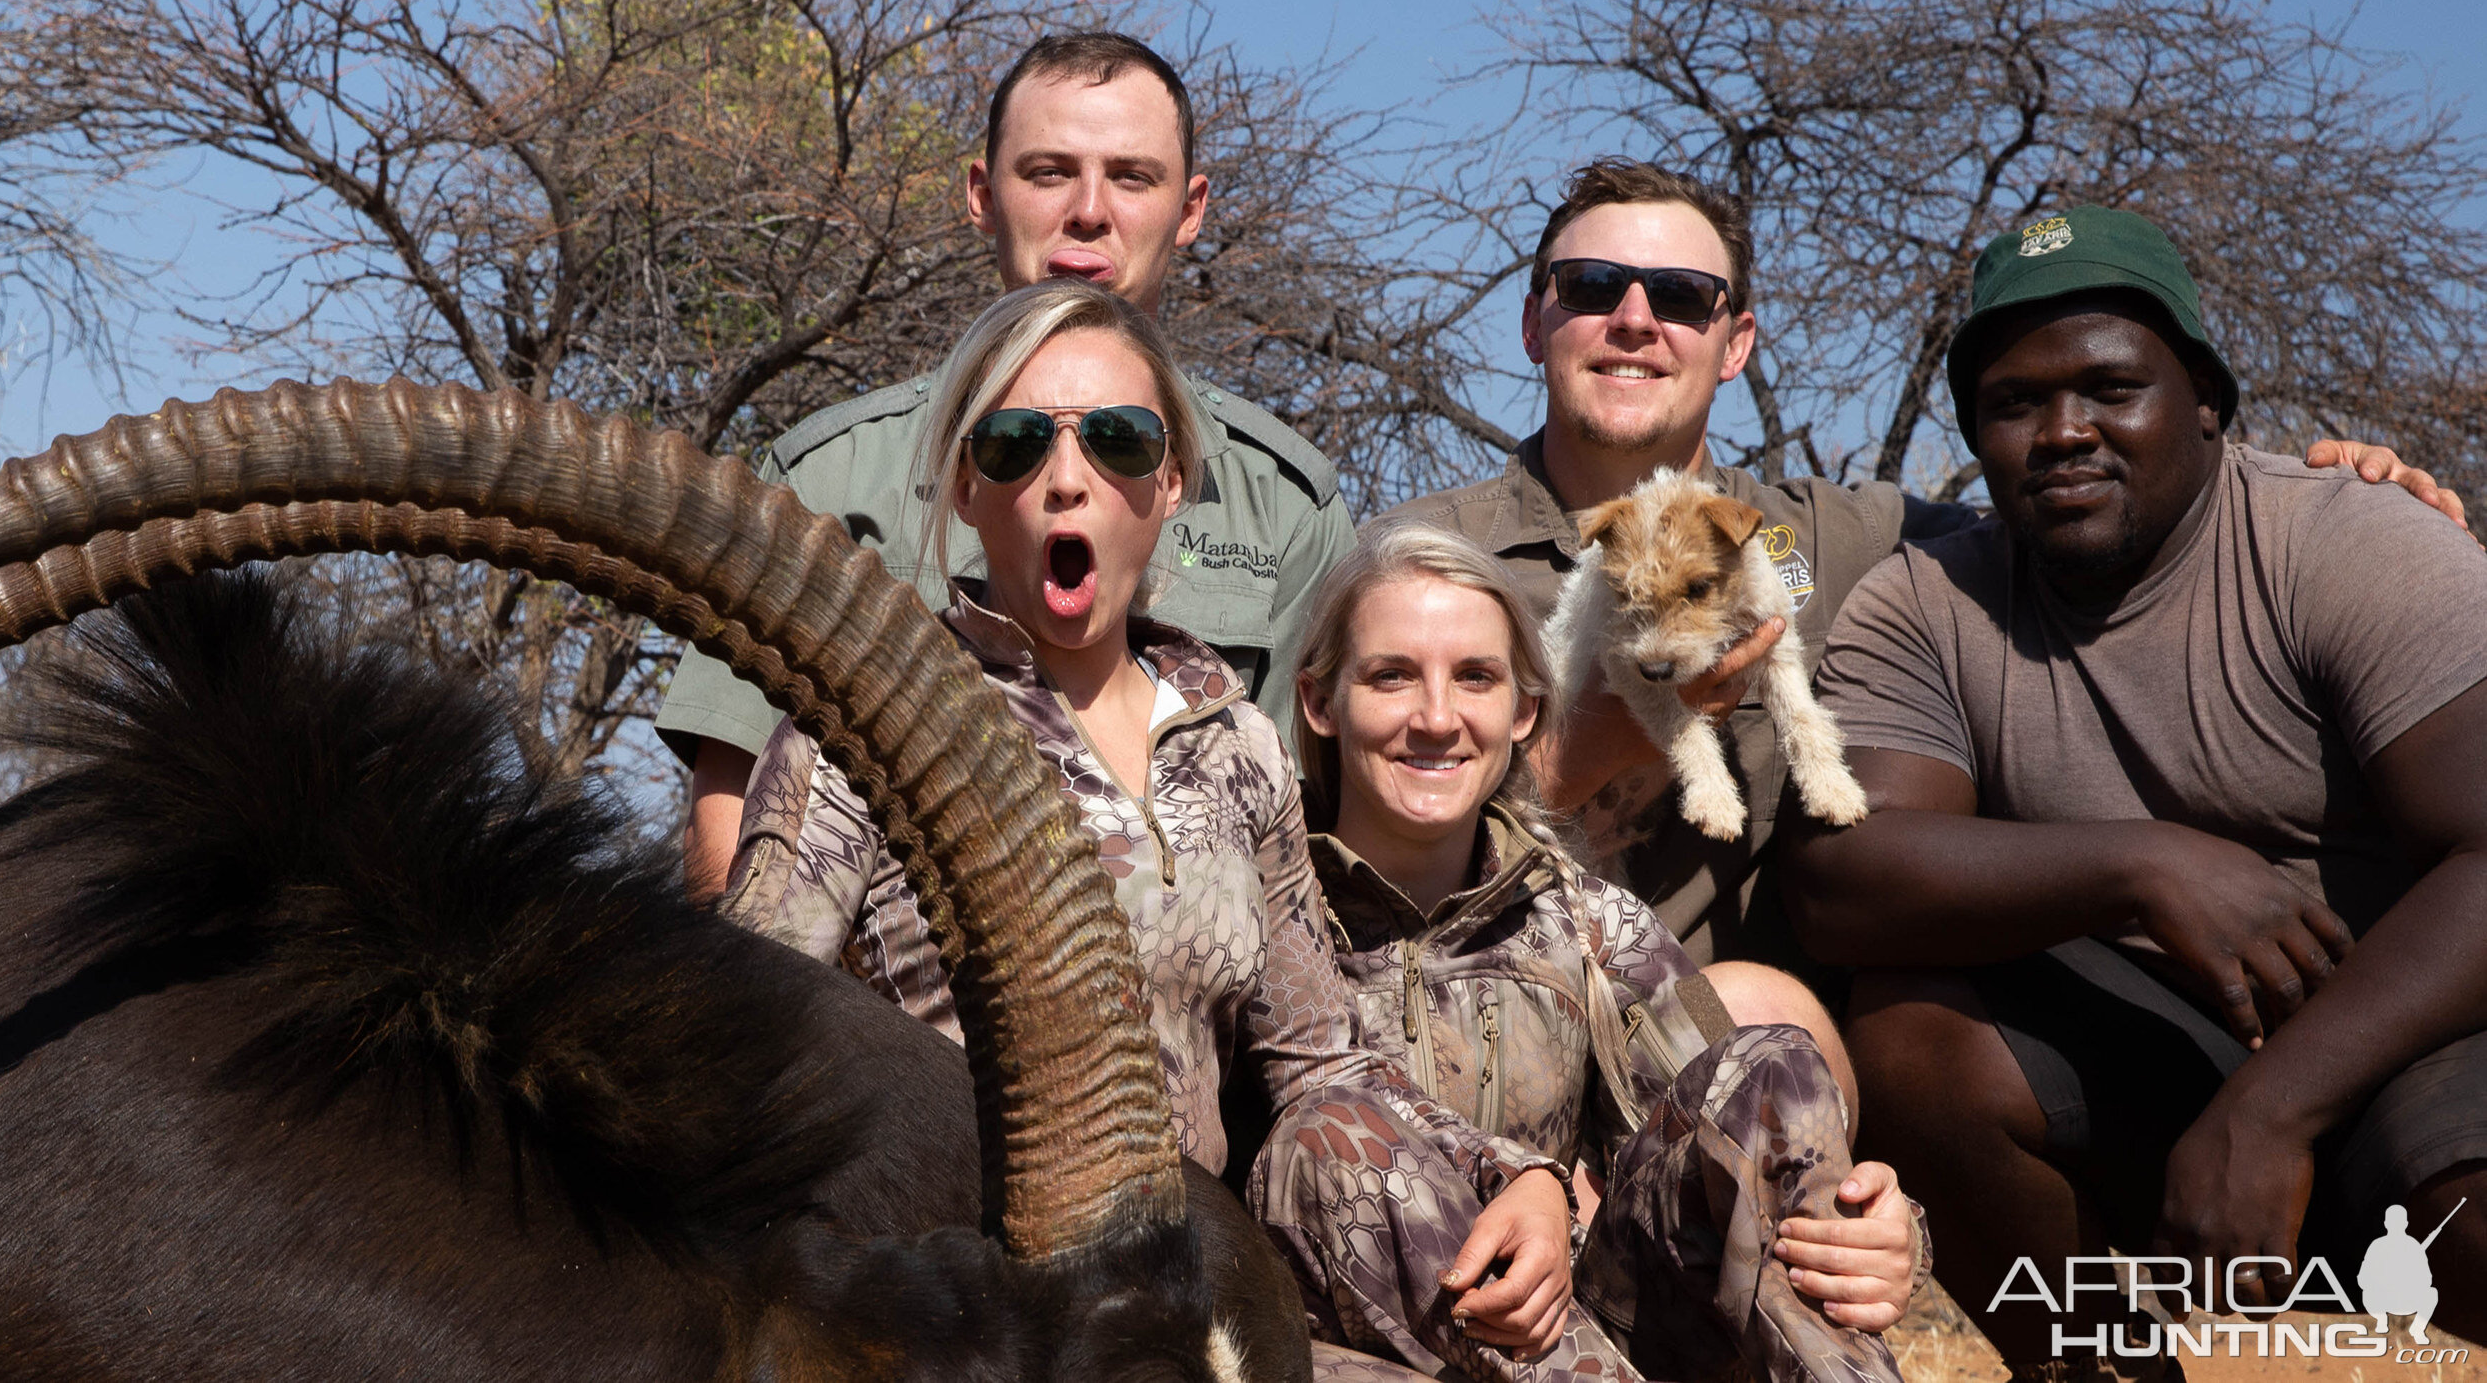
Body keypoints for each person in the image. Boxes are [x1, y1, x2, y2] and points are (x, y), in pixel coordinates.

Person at [725, 281, 1587, 1378]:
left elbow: (1320, 1063)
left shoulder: (1237, 744)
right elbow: (745, 1044)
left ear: (1171, 478)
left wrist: (1521, 1173)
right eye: (1014, 442)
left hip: (1191, 1310)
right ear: (962, 483)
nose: (1068, 477)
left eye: (1120, 440)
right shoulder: (857, 728)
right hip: (956, 1319)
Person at [1374, 159, 2464, 978]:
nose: (1633, 319)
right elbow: (1335, 854)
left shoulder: (1851, 537)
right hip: (1481, 984)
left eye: (1680, 296)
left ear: (1735, 341)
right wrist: (1598, 736)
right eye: (1592, 283)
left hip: (1738, 1024)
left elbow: (2087, 505)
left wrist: (2342, 487)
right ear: (1533, 321)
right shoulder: (1408, 557)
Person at [1782, 205, 2487, 1375]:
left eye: (2110, 387)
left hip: (2406, 1028)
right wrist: (2144, 861)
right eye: (2014, 403)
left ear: (2204, 397)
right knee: (1913, 1031)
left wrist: (2273, 1110)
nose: (2063, 431)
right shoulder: (1927, 599)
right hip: (2158, 1043)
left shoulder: (2353, 539)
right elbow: (1842, 877)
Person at [659, 31, 1355, 896]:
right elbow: (724, 833)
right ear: (984, 195)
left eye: (1133, 176)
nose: (1090, 209)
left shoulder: (1287, 506)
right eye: (1049, 171)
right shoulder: (824, 480)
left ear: (1191, 208)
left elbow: (1314, 855)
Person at [1274, 519, 1923, 1383]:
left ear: (1524, 710)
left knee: (1768, 1059)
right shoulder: (1264, 923)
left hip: (1593, 1333)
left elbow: (1727, 1084)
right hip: (1358, 1354)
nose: (1437, 717)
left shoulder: (1598, 922)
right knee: (1332, 1132)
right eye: (1392, 675)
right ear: (1321, 702)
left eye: (1476, 677)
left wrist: (1886, 1226)